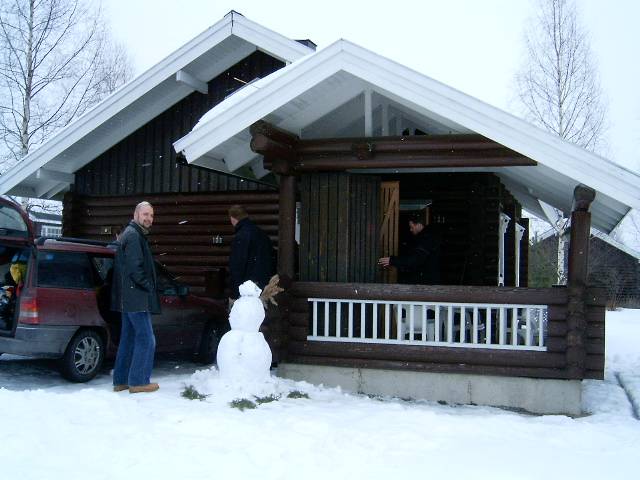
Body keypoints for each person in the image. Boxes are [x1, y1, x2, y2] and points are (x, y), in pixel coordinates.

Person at [111, 201, 161, 393]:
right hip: (136, 296)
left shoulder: (131, 234)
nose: (149, 218)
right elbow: (135, 268)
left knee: (129, 338)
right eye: (145, 214)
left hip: (129, 297)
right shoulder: (133, 236)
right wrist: (149, 287)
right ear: (136, 215)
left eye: (151, 215)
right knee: (147, 339)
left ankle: (121, 380)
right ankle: (139, 381)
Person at [228, 205, 274, 300]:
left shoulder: (241, 236)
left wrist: (235, 292)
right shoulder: (261, 234)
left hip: (246, 288)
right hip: (263, 285)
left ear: (232, 218)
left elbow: (238, 264)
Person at [378, 216, 441, 284]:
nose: (410, 229)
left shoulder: (426, 239)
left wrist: (393, 260)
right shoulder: (425, 237)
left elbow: (415, 260)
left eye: (412, 227)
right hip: (427, 279)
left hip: (427, 281)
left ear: (419, 225)